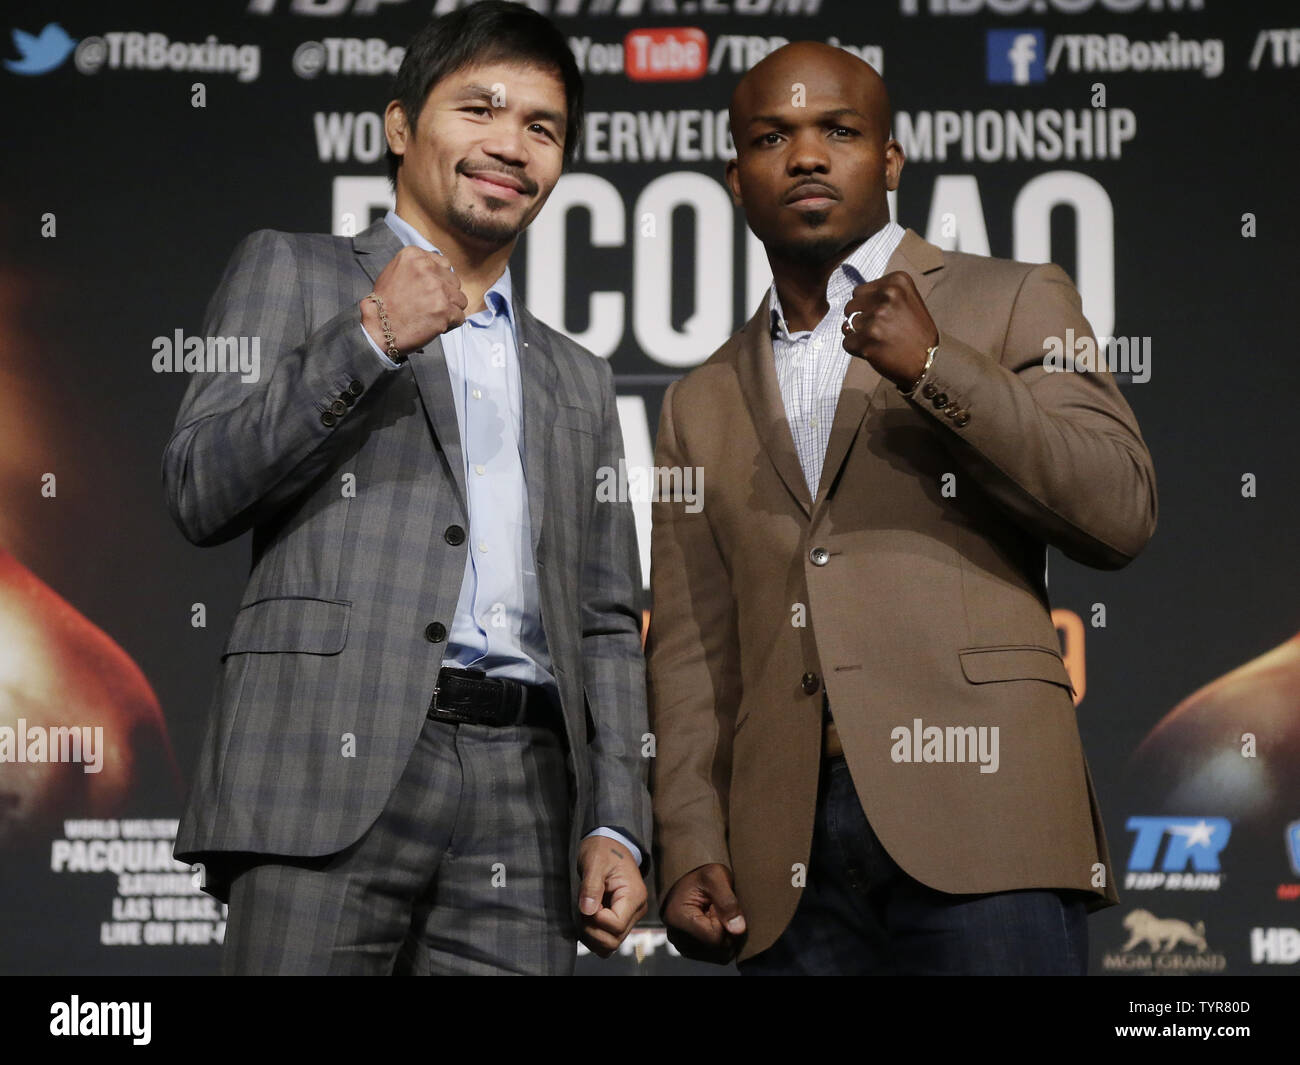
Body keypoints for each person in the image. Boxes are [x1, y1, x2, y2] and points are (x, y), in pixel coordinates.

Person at [646, 41, 1157, 975]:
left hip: (987, 819)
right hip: (781, 863)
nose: (806, 156)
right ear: (735, 177)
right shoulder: (699, 397)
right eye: (773, 137)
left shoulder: (1012, 298)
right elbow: (689, 650)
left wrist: (936, 367)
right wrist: (689, 839)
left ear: (889, 160)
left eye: (837, 131)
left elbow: (1118, 505)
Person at [163, 1, 649, 975]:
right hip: (322, 764)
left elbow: (604, 621)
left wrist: (620, 821)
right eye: (480, 109)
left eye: (541, 129)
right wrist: (369, 337)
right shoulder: (295, 272)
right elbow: (199, 487)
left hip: (527, 794)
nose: (509, 145)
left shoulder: (578, 376)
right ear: (400, 126)